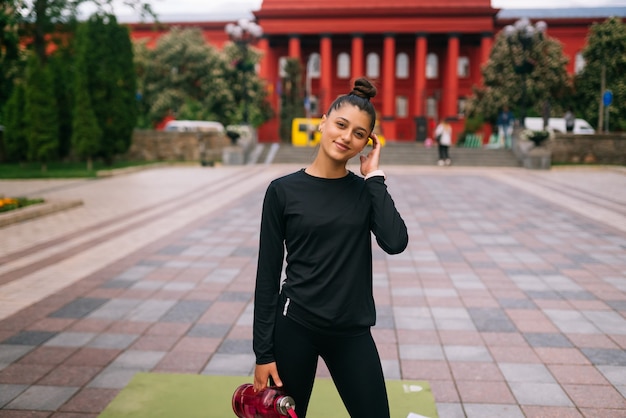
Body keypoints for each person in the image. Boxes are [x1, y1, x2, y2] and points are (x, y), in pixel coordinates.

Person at [252, 77, 409, 418]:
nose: (346, 137)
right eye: (341, 124)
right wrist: (263, 352)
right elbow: (267, 276)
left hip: (351, 331)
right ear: (323, 122)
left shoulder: (365, 191)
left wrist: (375, 177)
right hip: (295, 326)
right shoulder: (282, 191)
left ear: (367, 142)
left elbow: (395, 242)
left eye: (358, 133)